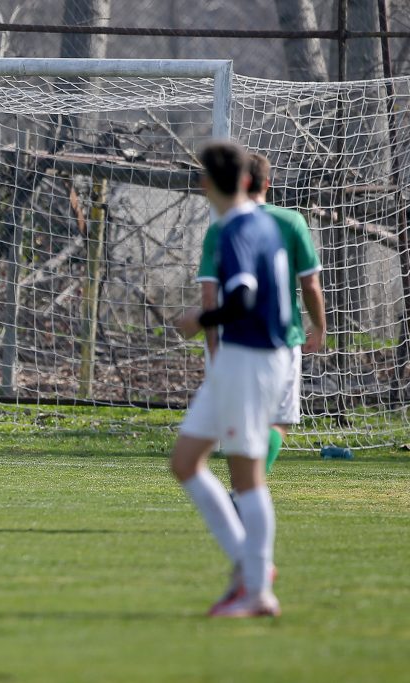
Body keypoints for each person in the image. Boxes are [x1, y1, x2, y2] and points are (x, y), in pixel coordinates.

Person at [171, 141, 291, 618]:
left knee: (247, 477)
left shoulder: (237, 230)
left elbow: (242, 298)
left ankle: (256, 589)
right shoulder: (262, 222)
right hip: (241, 361)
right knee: (185, 461)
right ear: (246, 179)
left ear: (206, 184)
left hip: (252, 358)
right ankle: (250, 566)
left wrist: (201, 318)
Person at [197, 152, 326, 473]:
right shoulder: (291, 221)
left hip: (235, 341)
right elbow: (310, 284)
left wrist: (211, 341)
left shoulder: (223, 227)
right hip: (281, 339)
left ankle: (242, 489)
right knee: (278, 421)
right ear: (268, 182)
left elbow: (209, 292)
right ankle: (247, 490)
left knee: (239, 422)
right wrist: (319, 327)